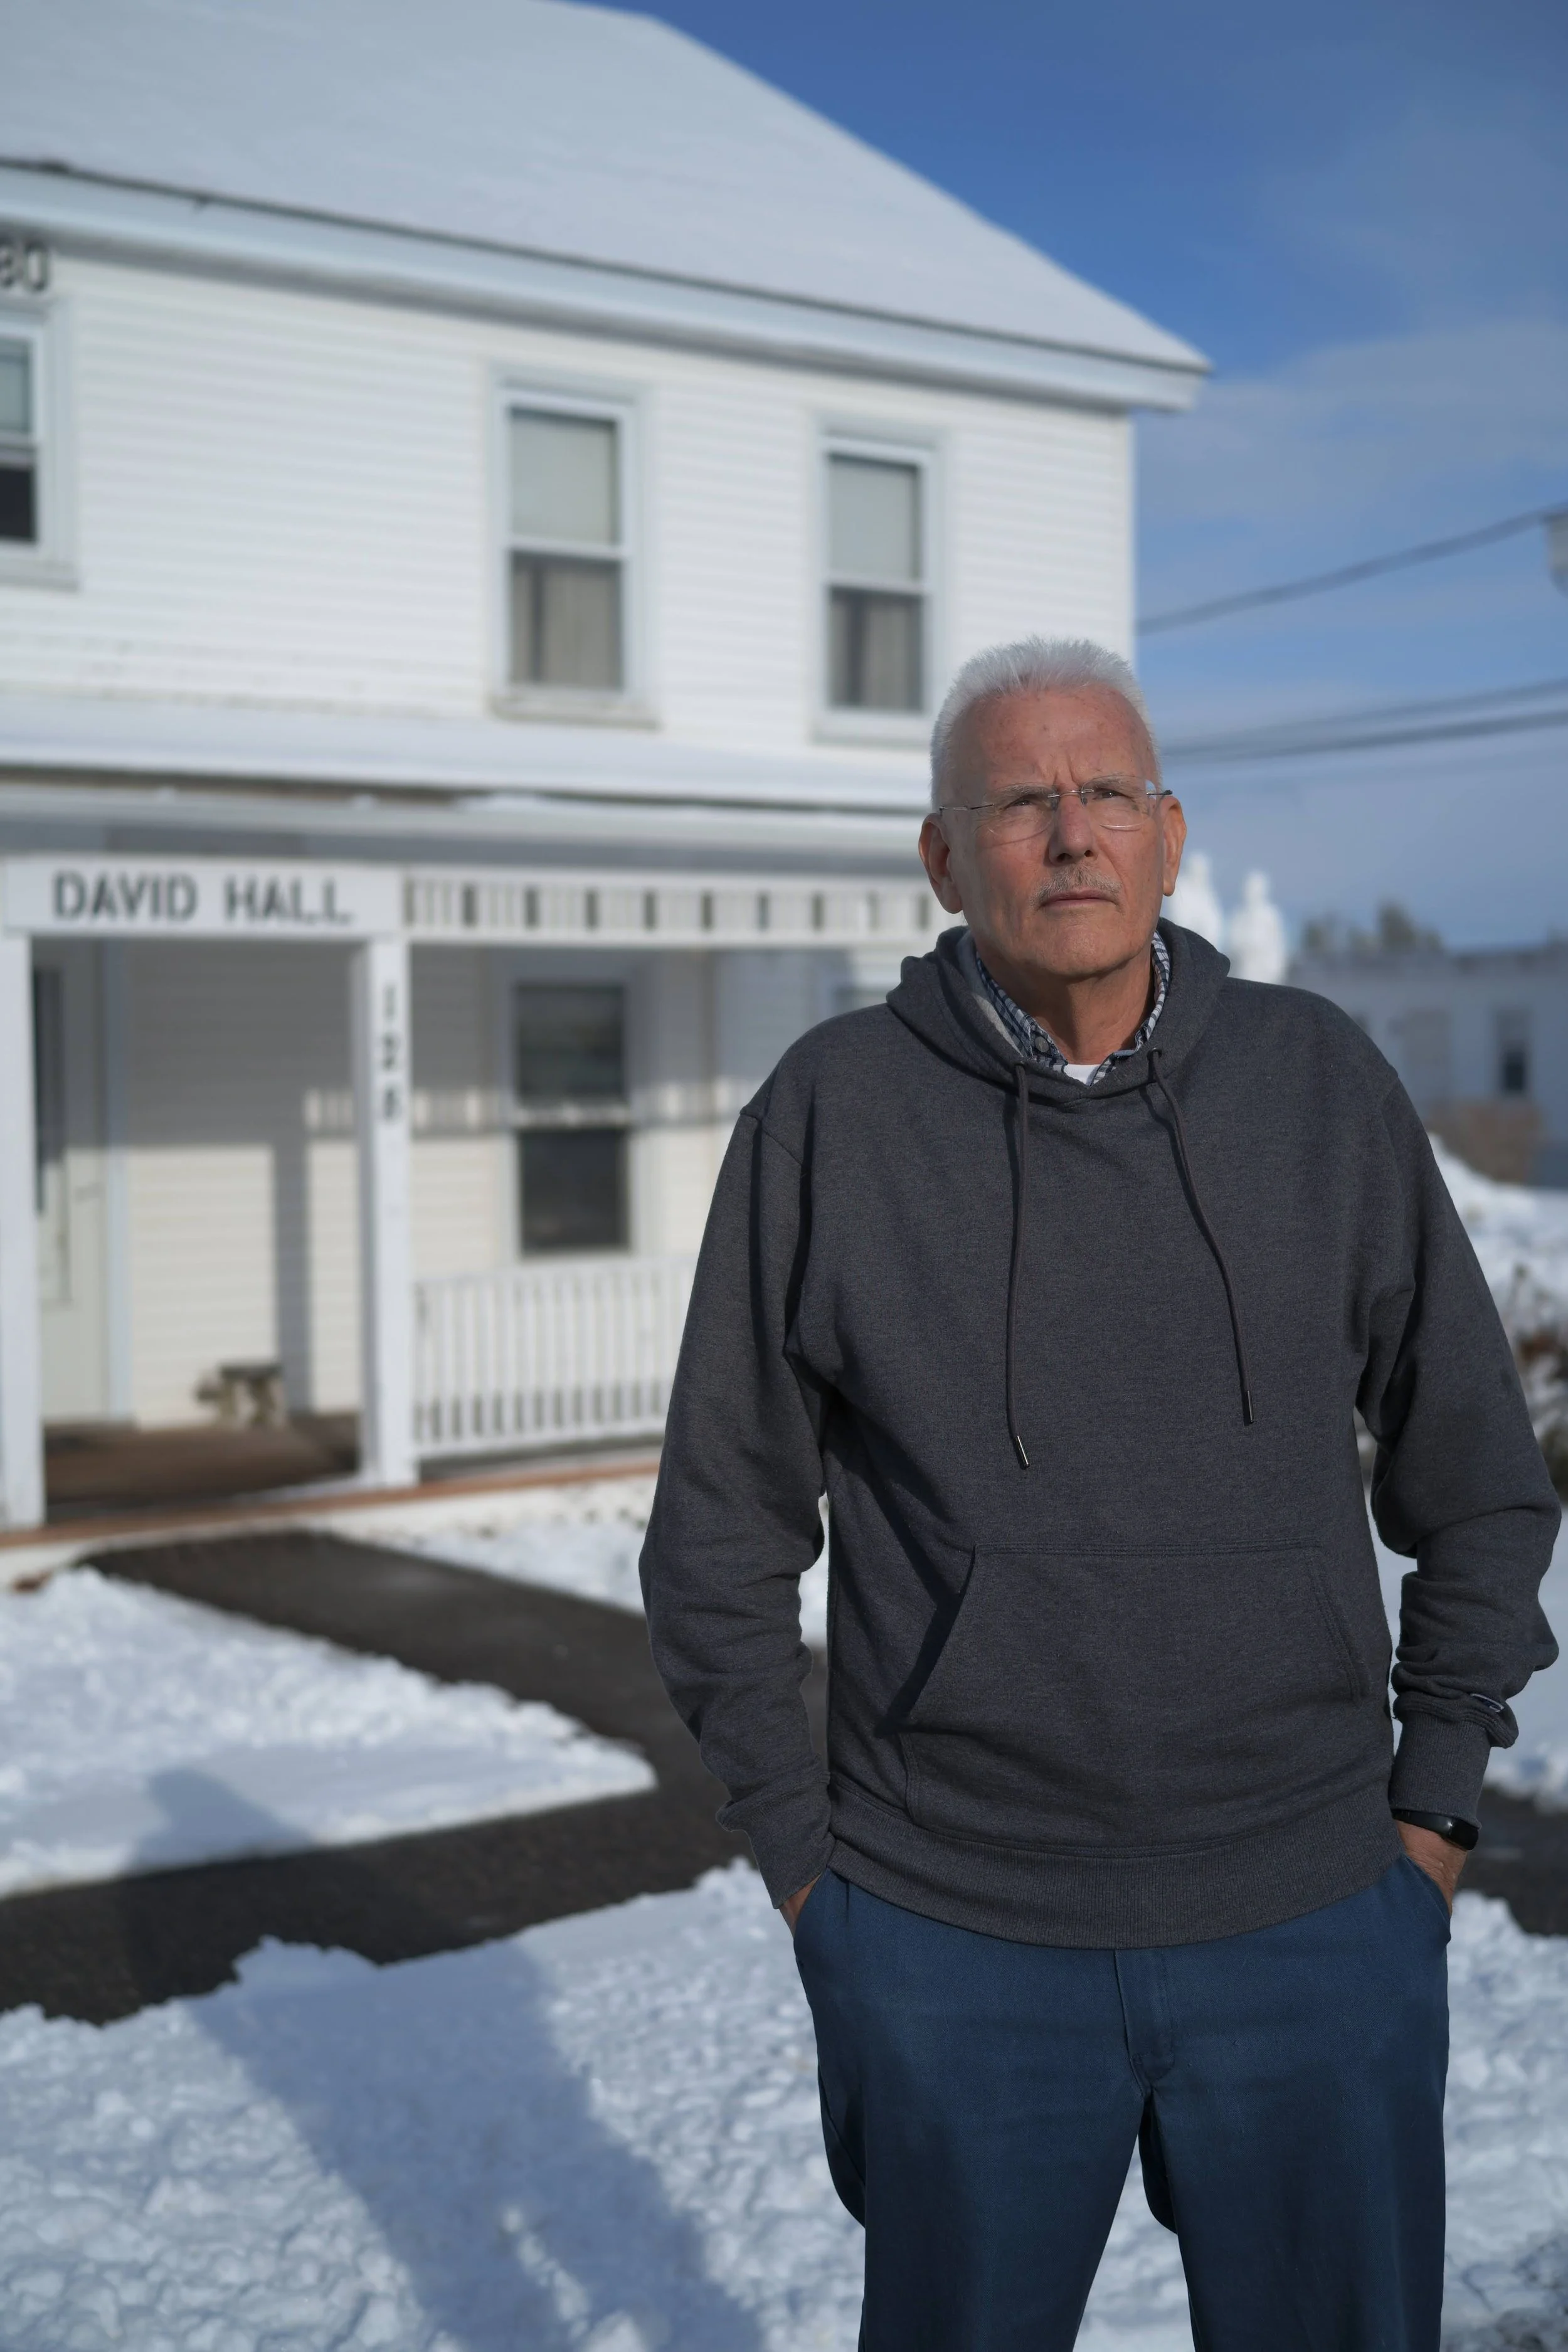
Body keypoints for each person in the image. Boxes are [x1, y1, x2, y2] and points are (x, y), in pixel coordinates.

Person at [640, 635, 1559, 2351]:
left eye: (1105, 792)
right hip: (952, 1942)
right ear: (940, 853)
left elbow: (1479, 1486)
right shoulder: (827, 1117)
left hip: (1311, 1925)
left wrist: (1426, 1819)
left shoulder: (1318, 1085)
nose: (1070, 833)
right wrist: (808, 1881)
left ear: (1168, 830)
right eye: (1016, 799)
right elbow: (713, 1533)